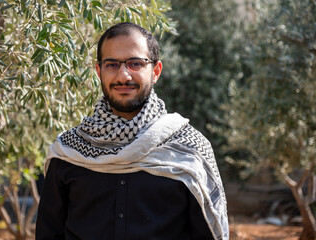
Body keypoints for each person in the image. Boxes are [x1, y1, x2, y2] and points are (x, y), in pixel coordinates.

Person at [36, 22, 229, 240]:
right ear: (99, 71)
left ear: (155, 71)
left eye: (135, 63)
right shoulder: (68, 152)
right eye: (111, 64)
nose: (123, 76)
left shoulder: (189, 149)